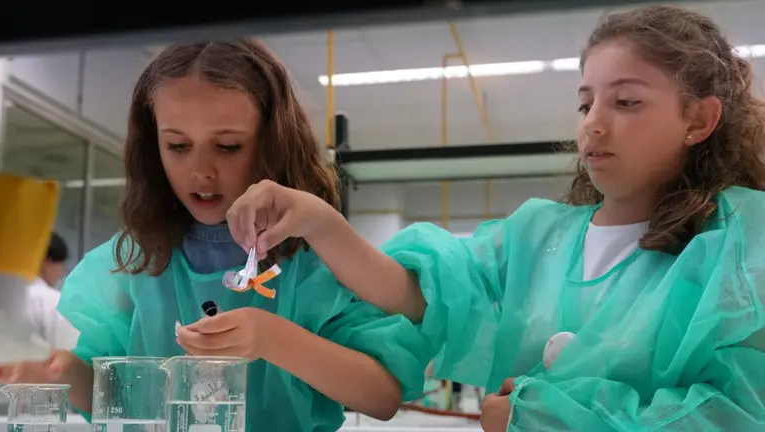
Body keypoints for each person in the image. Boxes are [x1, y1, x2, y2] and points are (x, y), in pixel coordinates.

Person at [211, 6, 765, 431]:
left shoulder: (739, 247)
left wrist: (540, 416)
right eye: (584, 103)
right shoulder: (540, 239)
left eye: (625, 103)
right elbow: (423, 294)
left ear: (699, 119)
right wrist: (319, 222)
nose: (593, 125)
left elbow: (738, 411)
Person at [0, 40, 430, 431]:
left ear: (273, 143)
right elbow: (115, 395)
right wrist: (58, 372)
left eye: (227, 147)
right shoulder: (135, 261)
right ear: (153, 147)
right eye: (178, 146)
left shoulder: (317, 261)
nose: (200, 171)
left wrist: (272, 337)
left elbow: (381, 396)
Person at [26, 232, 80, 350]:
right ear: (48, 262)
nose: (61, 273)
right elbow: (70, 355)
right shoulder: (54, 302)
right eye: (61, 265)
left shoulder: (4, 297)